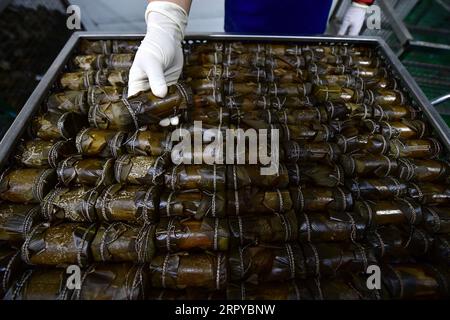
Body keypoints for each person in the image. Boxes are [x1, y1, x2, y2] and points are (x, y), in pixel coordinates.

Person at [128, 0, 374, 118]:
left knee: (304, 53)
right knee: (241, 51)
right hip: (251, 7)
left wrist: (362, 2)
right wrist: (166, 19)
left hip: (308, 8)